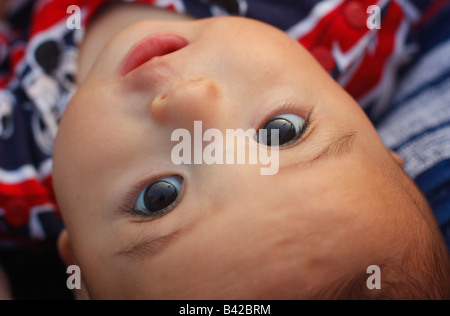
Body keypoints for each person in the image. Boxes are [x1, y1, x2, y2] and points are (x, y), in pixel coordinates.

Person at [1, 0, 449, 299]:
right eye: (281, 131)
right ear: (384, 146)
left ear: (79, 269)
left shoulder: (13, 177)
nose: (189, 99)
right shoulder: (354, 26)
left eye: (159, 196)